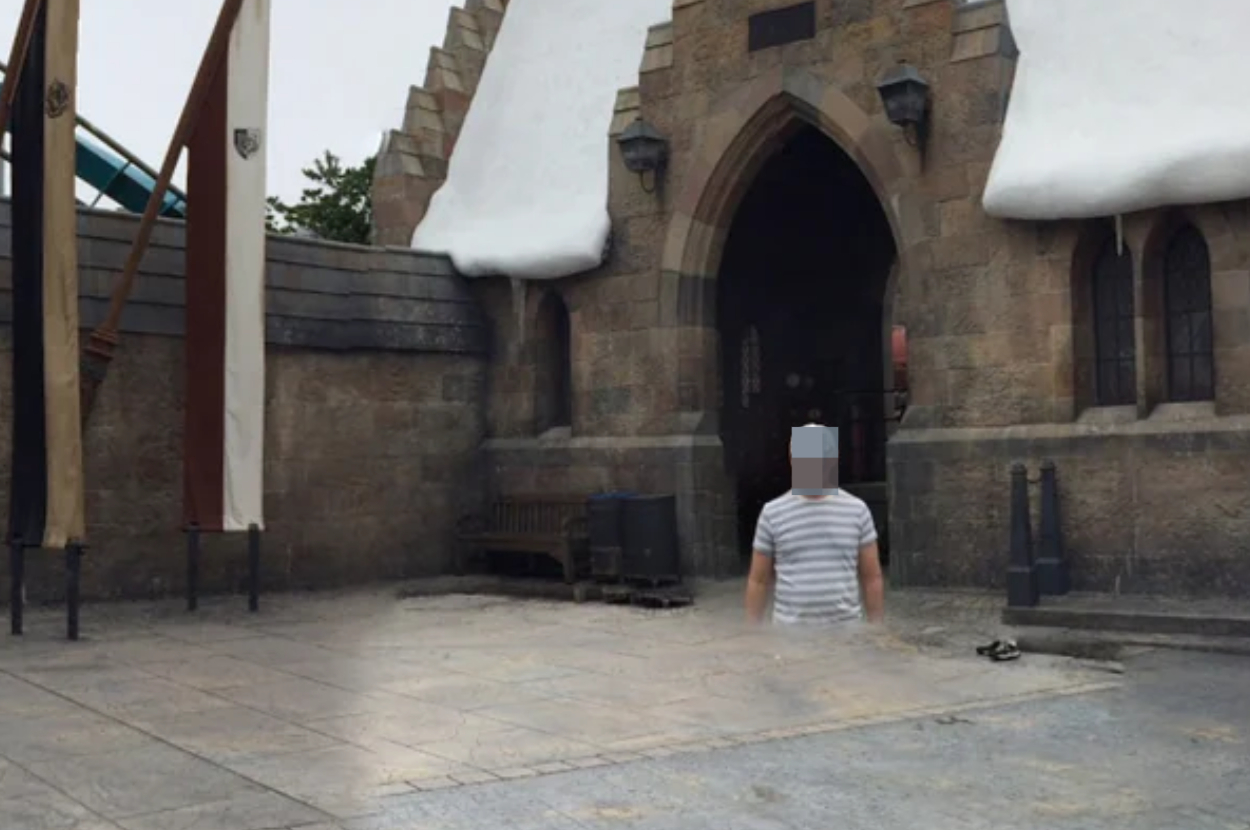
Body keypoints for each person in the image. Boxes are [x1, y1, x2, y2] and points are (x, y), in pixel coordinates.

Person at [745, 423, 884, 626]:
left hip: (845, 631)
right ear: (793, 459)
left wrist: (877, 630)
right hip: (790, 634)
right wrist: (751, 634)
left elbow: (871, 577)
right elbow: (758, 581)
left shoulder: (857, 510)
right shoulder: (772, 513)